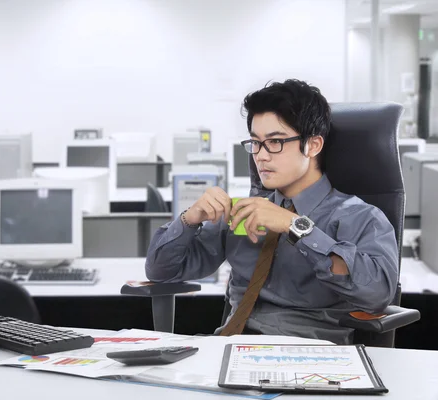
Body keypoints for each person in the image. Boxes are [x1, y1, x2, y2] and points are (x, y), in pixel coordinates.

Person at [145, 79, 399, 344]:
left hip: (308, 356)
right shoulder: (244, 211)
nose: (261, 156)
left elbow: (378, 294)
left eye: (275, 142)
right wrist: (189, 219)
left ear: (313, 145)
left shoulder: (359, 217)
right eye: (255, 142)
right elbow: (160, 272)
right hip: (228, 347)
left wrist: (297, 226)